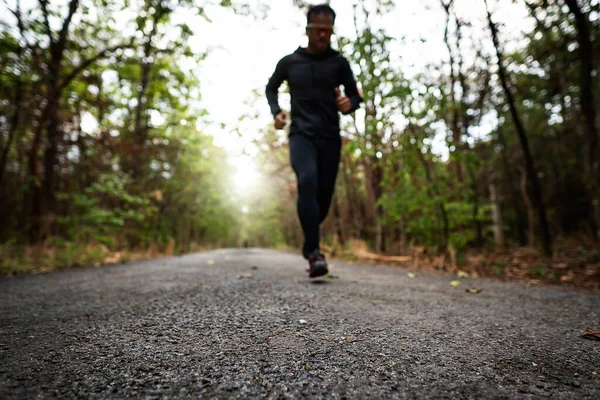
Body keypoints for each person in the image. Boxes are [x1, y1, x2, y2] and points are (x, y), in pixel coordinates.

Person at [265, 4, 363, 278]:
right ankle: (316, 254)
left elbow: (355, 95)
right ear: (307, 29)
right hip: (301, 136)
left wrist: (348, 104)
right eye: (317, 29)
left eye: (327, 30)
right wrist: (277, 113)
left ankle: (309, 242)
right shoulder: (289, 62)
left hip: (330, 139)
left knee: (321, 203)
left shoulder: (339, 63)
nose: (322, 35)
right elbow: (271, 88)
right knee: (306, 181)